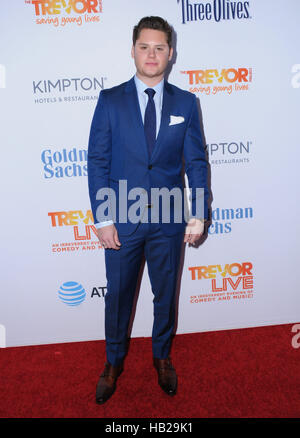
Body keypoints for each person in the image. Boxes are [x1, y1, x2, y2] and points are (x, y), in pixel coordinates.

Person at [88, 16, 209, 404]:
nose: (152, 54)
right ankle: (113, 362)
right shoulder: (110, 100)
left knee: (164, 295)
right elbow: (98, 162)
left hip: (170, 220)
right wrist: (104, 218)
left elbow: (197, 163)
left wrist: (200, 212)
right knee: (119, 296)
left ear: (171, 53)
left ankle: (161, 356)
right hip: (122, 219)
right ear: (133, 50)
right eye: (144, 46)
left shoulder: (187, 103)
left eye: (159, 47)